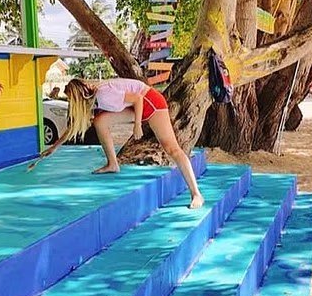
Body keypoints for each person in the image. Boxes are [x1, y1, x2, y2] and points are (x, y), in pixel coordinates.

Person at [31, 77, 204, 209]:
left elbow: (138, 99)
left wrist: (137, 125)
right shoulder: (96, 99)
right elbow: (76, 125)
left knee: (172, 149)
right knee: (100, 121)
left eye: (71, 100)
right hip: (136, 106)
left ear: (78, 97)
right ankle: (113, 164)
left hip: (151, 102)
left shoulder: (104, 95)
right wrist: (54, 147)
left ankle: (196, 194)